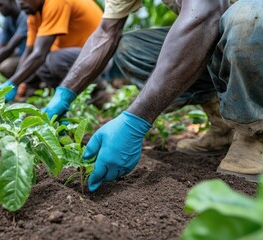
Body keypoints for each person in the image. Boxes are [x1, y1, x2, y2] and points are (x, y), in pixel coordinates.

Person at [43, 0, 263, 191]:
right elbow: (105, 33)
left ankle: (254, 134)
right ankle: (223, 124)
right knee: (132, 49)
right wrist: (65, 93)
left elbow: (205, 14)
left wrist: (136, 120)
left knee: (248, 20)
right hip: (224, 35)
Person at [0, 0, 108, 106]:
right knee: (42, 65)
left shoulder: (56, 2)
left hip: (99, 56)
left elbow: (39, 54)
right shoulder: (33, 15)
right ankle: (64, 101)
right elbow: (29, 52)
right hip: (75, 56)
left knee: (53, 59)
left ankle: (98, 91)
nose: (21, 2)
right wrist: (18, 82)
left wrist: (12, 83)